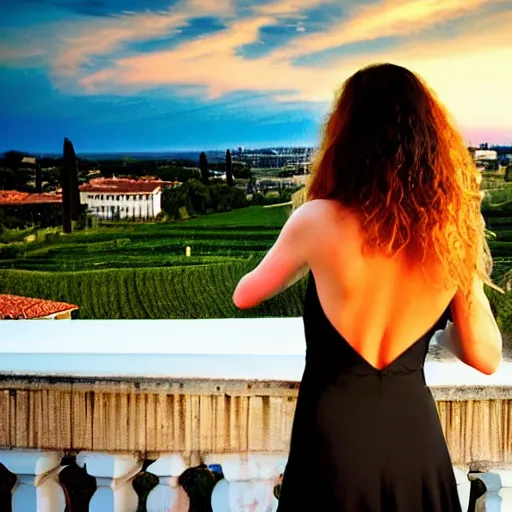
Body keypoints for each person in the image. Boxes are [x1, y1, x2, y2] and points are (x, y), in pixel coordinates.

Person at [232, 63, 503, 511]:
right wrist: (442, 331)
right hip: (412, 438)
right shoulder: (450, 234)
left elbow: (246, 294)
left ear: (346, 137)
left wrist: (311, 259)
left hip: (331, 439)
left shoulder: (315, 220)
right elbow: (485, 355)